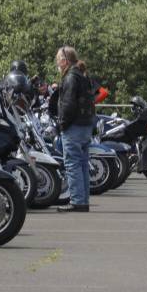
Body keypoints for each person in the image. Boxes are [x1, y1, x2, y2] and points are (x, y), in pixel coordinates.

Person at [52, 46, 94, 212]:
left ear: (65, 60)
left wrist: (62, 124)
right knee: (82, 163)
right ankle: (83, 200)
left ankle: (77, 201)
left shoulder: (70, 77)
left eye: (58, 60)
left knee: (72, 163)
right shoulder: (83, 75)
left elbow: (68, 104)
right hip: (85, 125)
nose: (58, 64)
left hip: (74, 126)